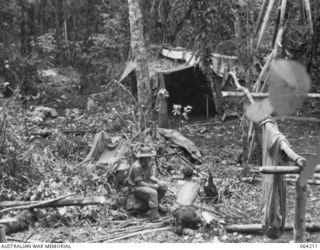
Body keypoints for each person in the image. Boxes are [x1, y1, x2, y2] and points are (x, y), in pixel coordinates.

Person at [128, 145, 168, 221]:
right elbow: (139, 183)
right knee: (153, 192)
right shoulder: (137, 166)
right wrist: (153, 186)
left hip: (145, 183)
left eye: (150, 157)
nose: (150, 158)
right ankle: (154, 216)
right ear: (143, 157)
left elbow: (150, 176)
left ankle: (156, 205)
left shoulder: (147, 163)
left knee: (164, 186)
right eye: (148, 157)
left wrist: (158, 181)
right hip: (136, 187)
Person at [172, 167, 204, 235]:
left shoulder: (179, 183)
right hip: (189, 211)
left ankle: (181, 223)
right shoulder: (197, 185)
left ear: (183, 175)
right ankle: (192, 224)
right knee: (198, 216)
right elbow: (202, 194)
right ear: (192, 175)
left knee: (177, 213)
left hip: (176, 210)